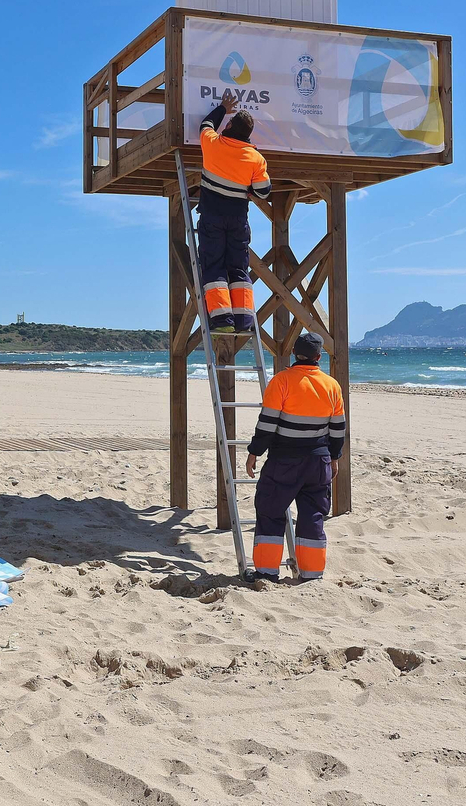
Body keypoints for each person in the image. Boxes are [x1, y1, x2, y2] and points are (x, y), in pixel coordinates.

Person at [244, 332, 346, 581]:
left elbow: (267, 424)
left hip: (284, 459)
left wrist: (254, 452)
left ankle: (266, 572)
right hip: (318, 460)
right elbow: (338, 429)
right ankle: (312, 574)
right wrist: (334, 458)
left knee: (270, 510)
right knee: (313, 515)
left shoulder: (281, 381)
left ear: (294, 354)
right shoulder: (332, 385)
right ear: (318, 357)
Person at [197, 90, 271, 333]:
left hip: (212, 216)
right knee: (239, 269)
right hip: (238, 219)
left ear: (228, 126)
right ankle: (244, 321)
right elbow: (263, 192)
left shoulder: (213, 144)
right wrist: (247, 187)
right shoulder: (256, 158)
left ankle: (222, 322)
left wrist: (222, 108)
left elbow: (206, 125)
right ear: (249, 134)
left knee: (214, 266)